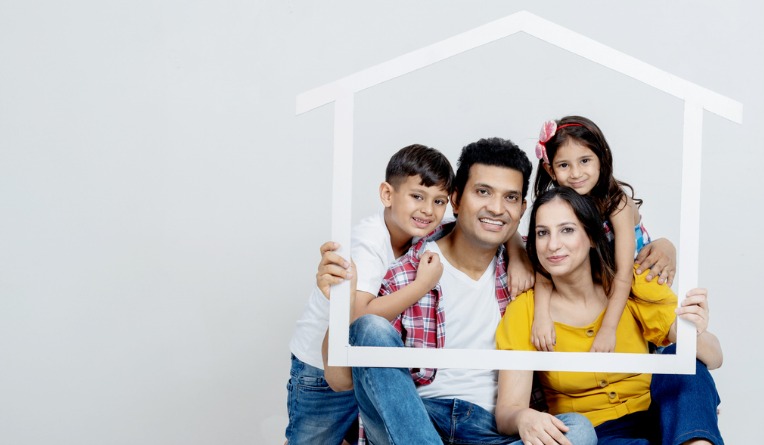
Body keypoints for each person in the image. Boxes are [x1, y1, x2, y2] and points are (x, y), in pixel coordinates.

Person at [323, 138, 597, 445]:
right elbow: (340, 380)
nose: (496, 208)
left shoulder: (538, 263)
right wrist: (341, 304)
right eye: (483, 192)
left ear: (522, 209)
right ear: (455, 199)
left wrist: (661, 248)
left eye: (510, 198)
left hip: (491, 430)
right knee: (369, 327)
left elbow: (599, 249)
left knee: (579, 431)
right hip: (414, 419)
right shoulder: (407, 271)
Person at [495, 187, 724, 445]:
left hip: (665, 420)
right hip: (597, 433)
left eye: (567, 230)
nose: (553, 245)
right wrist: (524, 418)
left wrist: (694, 329)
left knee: (681, 359)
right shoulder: (526, 310)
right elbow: (507, 412)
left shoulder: (633, 287)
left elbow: (714, 357)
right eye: (542, 233)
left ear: (592, 236)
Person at [286, 144, 455, 445]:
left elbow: (465, 228)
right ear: (388, 195)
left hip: (361, 364)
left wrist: (519, 252)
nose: (429, 210)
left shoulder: (419, 230)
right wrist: (420, 287)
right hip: (318, 367)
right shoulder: (369, 241)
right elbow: (359, 317)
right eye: (417, 196)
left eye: (439, 201)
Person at [527, 116, 673, 354]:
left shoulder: (617, 204)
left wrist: (608, 330)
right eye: (564, 165)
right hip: (601, 285)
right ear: (550, 170)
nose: (575, 173)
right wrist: (541, 316)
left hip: (636, 281)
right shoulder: (558, 206)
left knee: (658, 342)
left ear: (601, 160)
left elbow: (624, 274)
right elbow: (545, 266)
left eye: (585, 160)